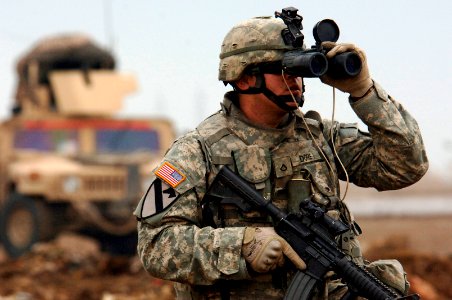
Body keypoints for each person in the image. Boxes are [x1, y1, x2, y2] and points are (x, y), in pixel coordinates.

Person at [134, 12, 428, 300]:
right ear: (246, 78)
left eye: (301, 71)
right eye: (284, 70)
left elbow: (406, 166)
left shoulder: (320, 137)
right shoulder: (196, 151)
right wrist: (242, 246)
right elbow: (155, 244)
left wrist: (364, 92)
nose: (296, 81)